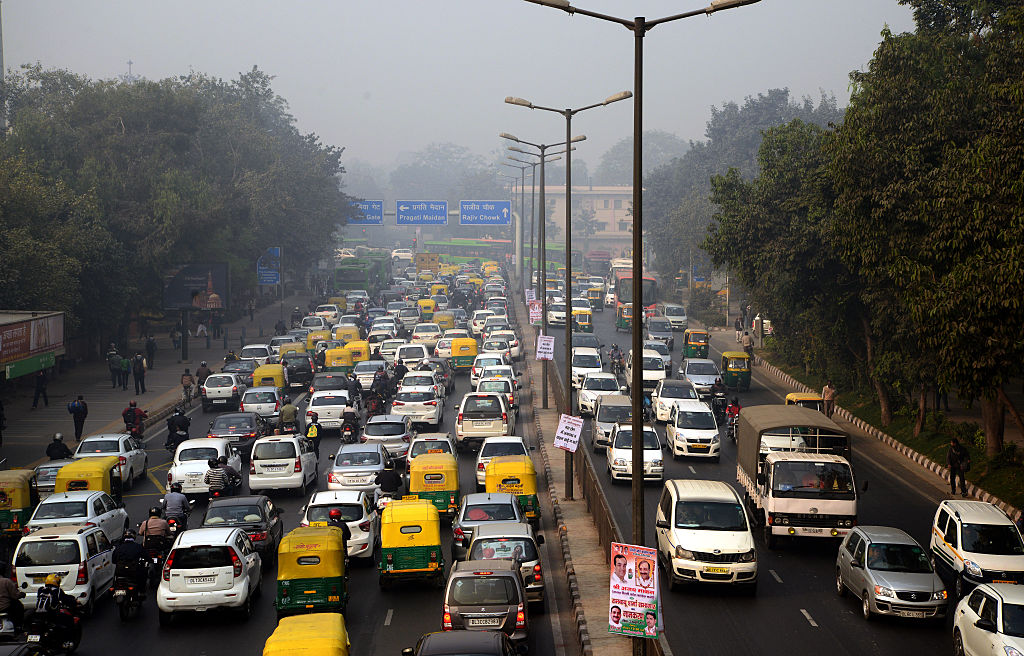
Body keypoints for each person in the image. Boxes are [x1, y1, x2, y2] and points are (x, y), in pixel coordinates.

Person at [0, 562, 25, 628]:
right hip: (5, 608)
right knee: (18, 606)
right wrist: (22, 594)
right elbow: (15, 595)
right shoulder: (6, 581)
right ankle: (18, 626)